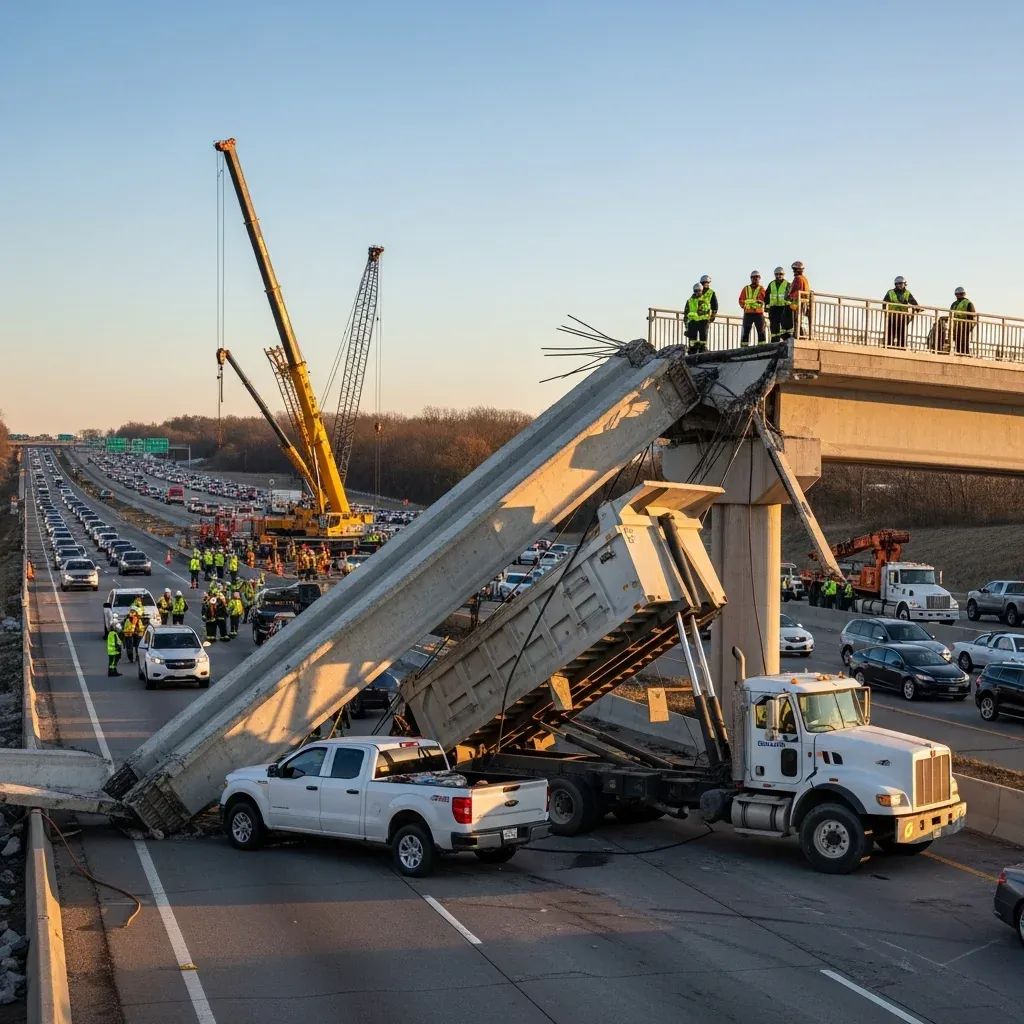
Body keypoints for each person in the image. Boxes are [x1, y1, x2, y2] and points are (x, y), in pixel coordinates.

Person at [883, 276, 919, 349]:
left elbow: (914, 302)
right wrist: (886, 314)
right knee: (890, 333)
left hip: (902, 318)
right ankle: (889, 347)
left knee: (902, 334)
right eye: (897, 283)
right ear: (895, 284)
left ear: (904, 284)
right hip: (892, 317)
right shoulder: (890, 292)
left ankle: (902, 348)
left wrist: (917, 308)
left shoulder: (907, 293)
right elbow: (884, 304)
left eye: (901, 283)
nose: (899, 285)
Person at [738, 271, 766, 346]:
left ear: (759, 278)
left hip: (758, 314)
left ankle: (762, 348)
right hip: (748, 314)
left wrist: (748, 302)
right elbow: (741, 300)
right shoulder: (746, 289)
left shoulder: (761, 289)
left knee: (761, 332)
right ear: (751, 278)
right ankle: (743, 349)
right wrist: (751, 303)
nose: (755, 279)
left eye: (757, 277)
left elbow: (763, 301)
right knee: (745, 333)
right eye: (753, 277)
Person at [766, 267, 792, 342]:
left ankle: (786, 340)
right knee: (774, 326)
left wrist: (789, 305)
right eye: (777, 274)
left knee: (785, 326)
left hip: (784, 308)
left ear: (783, 275)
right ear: (775, 275)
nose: (778, 276)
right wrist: (767, 306)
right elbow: (767, 296)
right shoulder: (771, 284)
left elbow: (791, 296)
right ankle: (775, 341)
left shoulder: (787, 284)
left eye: (780, 274)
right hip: (774, 308)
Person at [684, 283, 711, 353]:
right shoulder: (690, 300)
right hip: (693, 322)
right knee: (692, 340)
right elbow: (686, 312)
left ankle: (703, 351)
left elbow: (707, 311)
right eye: (695, 291)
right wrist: (686, 324)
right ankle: (692, 351)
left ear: (701, 290)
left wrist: (707, 320)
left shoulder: (705, 300)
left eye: (699, 290)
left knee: (703, 339)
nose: (697, 292)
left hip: (703, 321)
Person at [949, 286, 976, 356]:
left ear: (963, 294)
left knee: (964, 340)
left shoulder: (968, 303)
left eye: (960, 294)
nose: (958, 296)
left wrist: (970, 326)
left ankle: (965, 354)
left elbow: (973, 316)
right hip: (956, 325)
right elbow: (951, 314)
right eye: (957, 294)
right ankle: (958, 353)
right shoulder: (954, 304)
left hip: (965, 325)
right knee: (957, 340)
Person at [789, 261, 811, 338]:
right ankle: (802, 335)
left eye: (794, 269)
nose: (793, 271)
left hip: (798, 303)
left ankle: (798, 335)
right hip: (804, 302)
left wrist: (789, 296)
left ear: (797, 270)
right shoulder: (804, 279)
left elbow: (794, 291)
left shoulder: (798, 279)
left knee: (797, 320)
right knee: (802, 321)